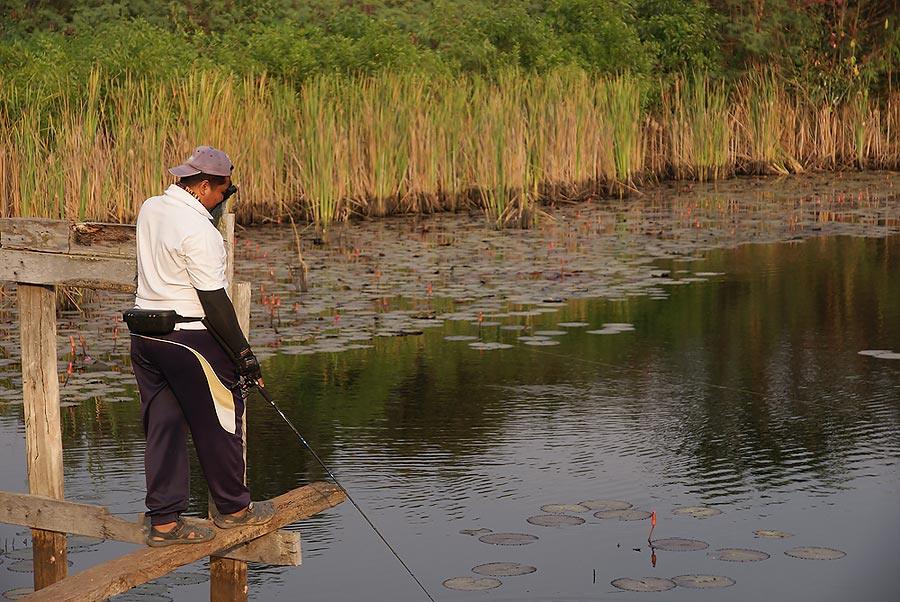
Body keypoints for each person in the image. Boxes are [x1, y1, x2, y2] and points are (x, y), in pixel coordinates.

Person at [130, 145, 275, 546]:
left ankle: (164, 523)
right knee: (222, 418)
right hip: (188, 340)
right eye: (225, 190)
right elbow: (214, 303)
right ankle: (234, 509)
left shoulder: (150, 207)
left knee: (163, 427)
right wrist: (245, 357)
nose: (226, 197)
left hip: (145, 339)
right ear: (206, 185)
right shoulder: (201, 233)